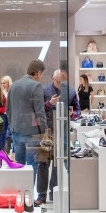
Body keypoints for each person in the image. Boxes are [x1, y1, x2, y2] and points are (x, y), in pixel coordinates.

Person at [7, 59, 49, 202]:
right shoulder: (36, 86)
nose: (41, 77)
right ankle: (28, 198)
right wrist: (44, 131)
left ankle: (20, 197)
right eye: (41, 74)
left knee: (19, 166)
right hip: (32, 133)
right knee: (32, 167)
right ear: (38, 73)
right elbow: (39, 112)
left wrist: (12, 126)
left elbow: (8, 110)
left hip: (16, 130)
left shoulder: (14, 85)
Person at [42, 69, 79, 205]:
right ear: (53, 78)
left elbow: (78, 110)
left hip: (63, 131)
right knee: (44, 162)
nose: (61, 84)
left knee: (58, 162)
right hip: (47, 130)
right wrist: (49, 104)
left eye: (63, 81)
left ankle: (54, 192)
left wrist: (72, 114)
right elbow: (38, 109)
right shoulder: (44, 91)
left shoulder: (70, 92)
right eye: (58, 81)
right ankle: (41, 195)